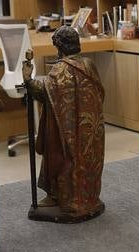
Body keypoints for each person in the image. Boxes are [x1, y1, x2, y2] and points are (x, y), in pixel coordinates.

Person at [30, 26, 105, 222]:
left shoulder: (60, 70)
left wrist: (27, 80)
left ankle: (71, 203)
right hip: (89, 129)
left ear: (60, 48)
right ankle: (89, 198)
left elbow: (44, 93)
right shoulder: (89, 65)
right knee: (88, 160)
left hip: (68, 131)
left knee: (66, 158)